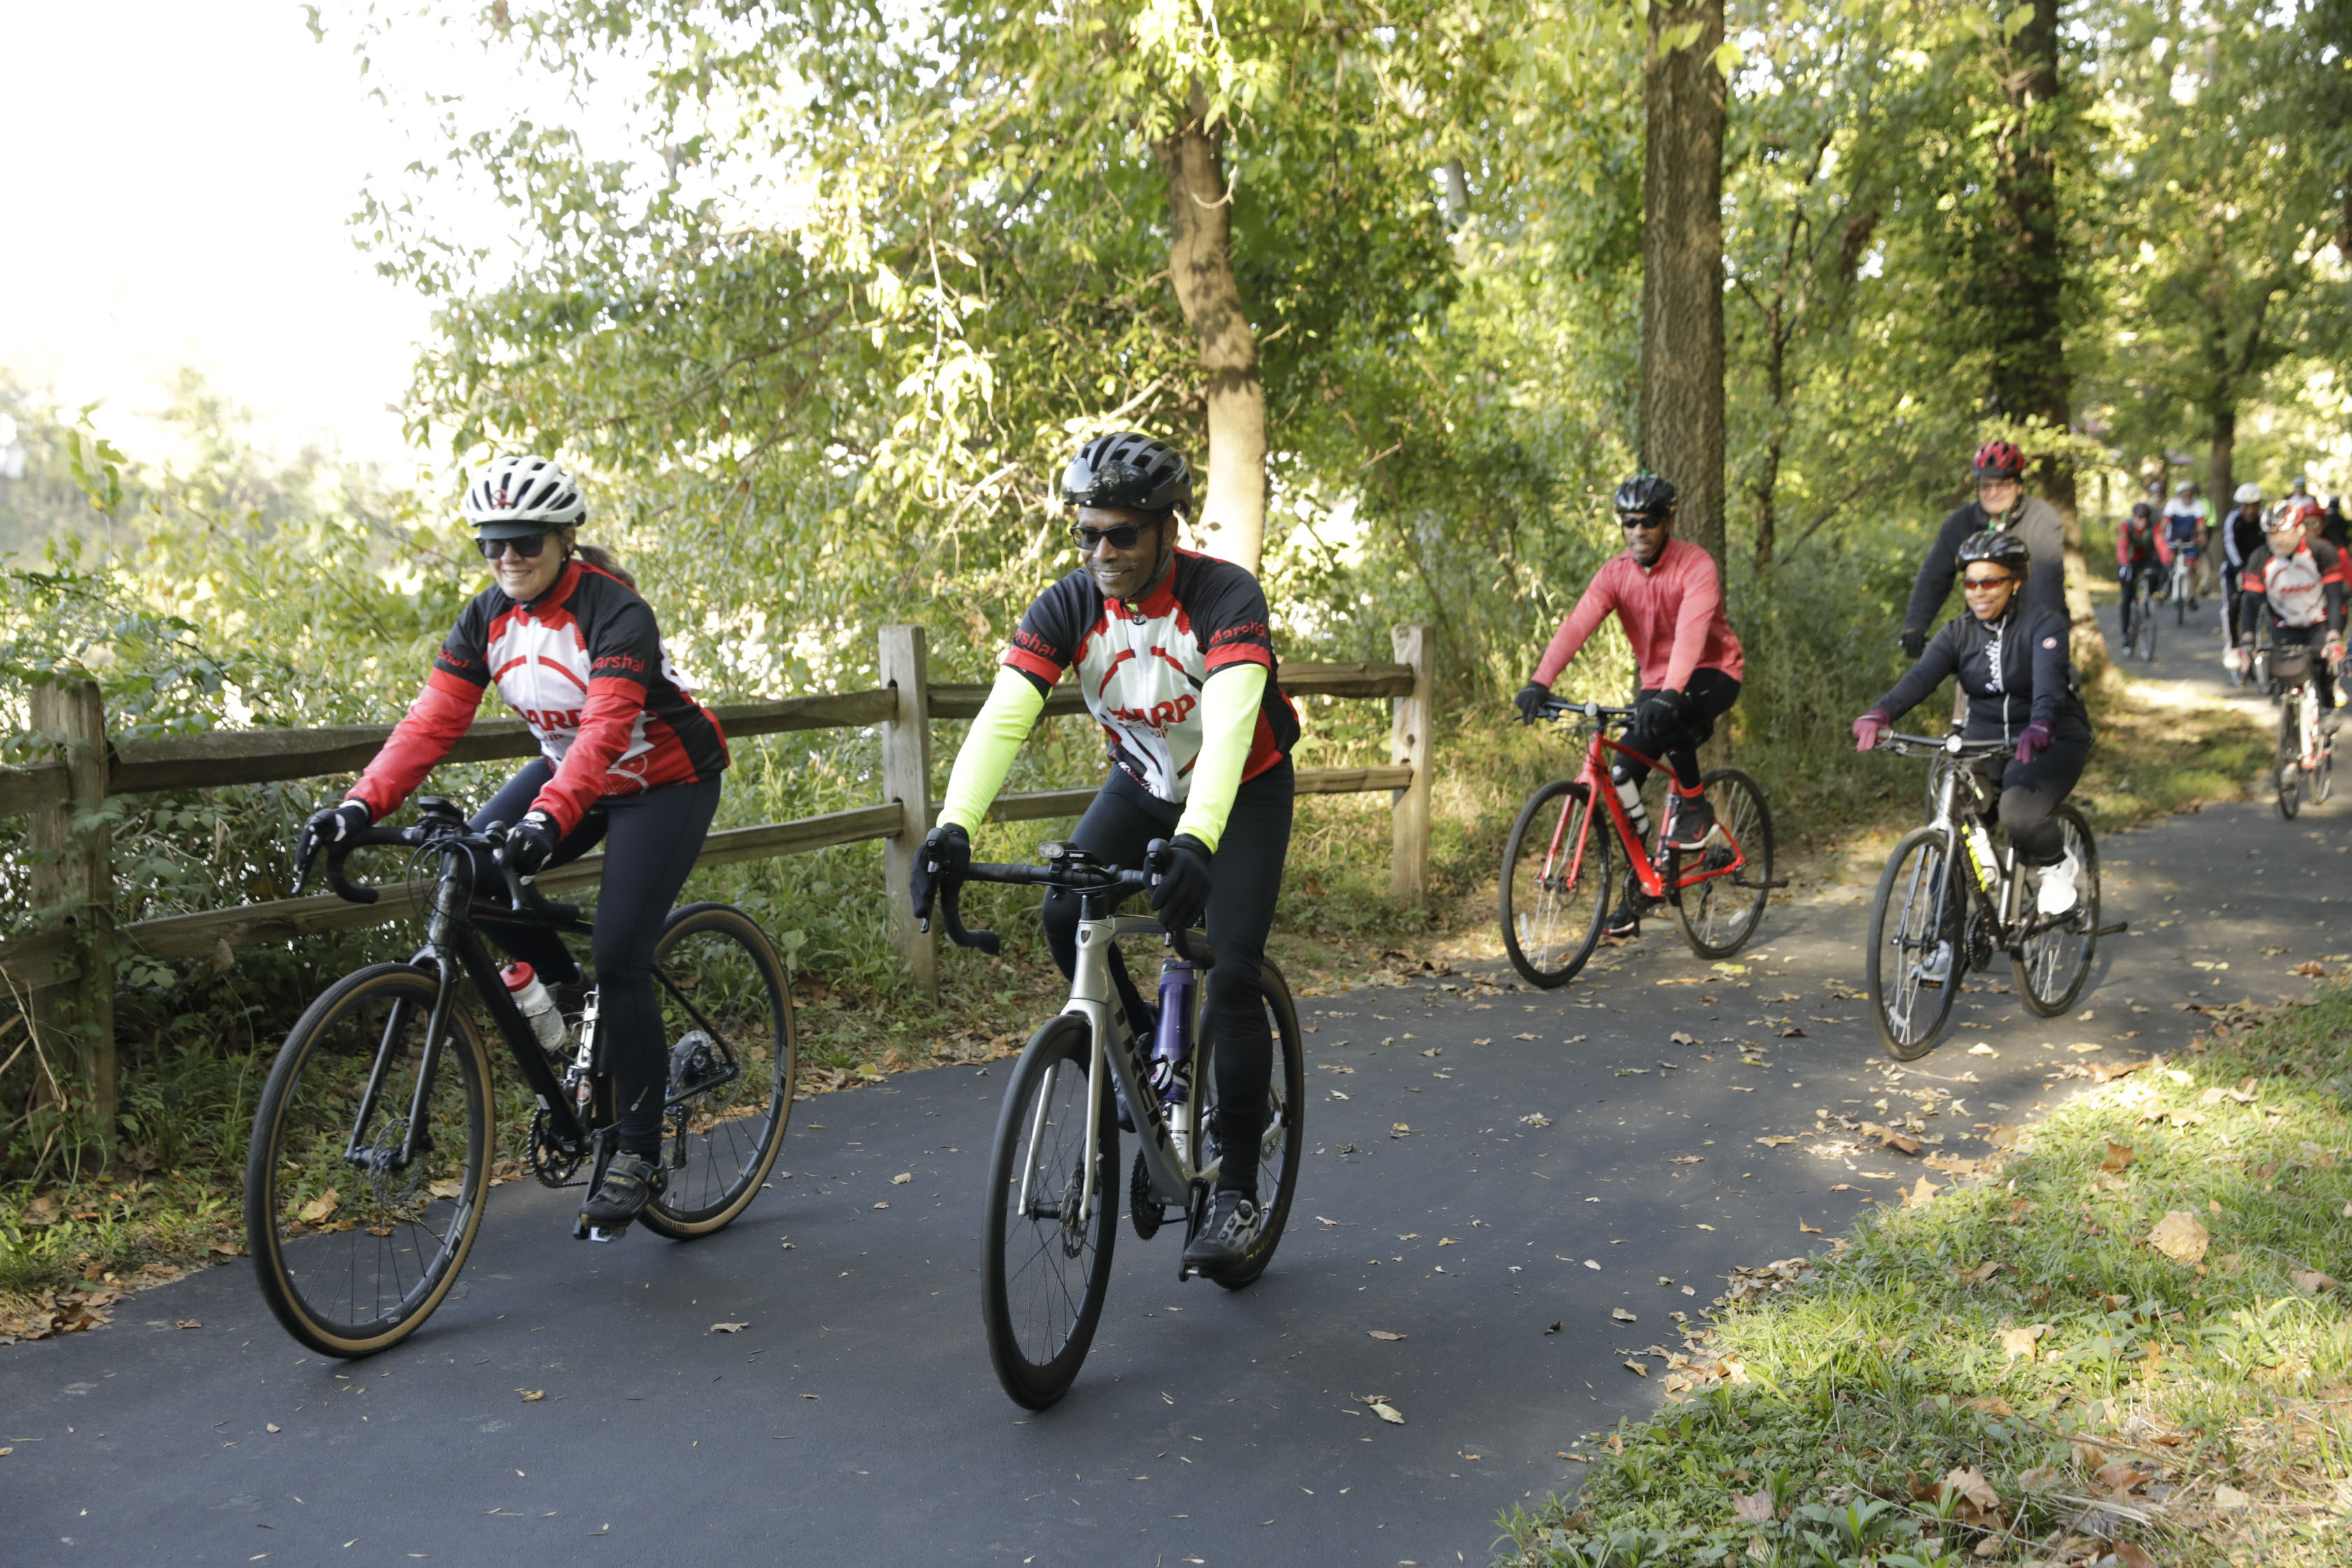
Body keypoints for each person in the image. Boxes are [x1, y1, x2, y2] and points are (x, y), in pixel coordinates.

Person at [291, 455, 730, 1238]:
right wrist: (357, 806)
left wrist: (548, 820)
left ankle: (636, 1149)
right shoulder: (486, 616)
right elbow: (430, 723)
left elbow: (604, 731)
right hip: (573, 773)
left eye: (524, 540)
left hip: (664, 778)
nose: (508, 558)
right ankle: (574, 1012)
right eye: (491, 543)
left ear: (565, 537)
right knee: (477, 870)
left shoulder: (616, 612)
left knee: (622, 954)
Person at [908, 432, 1300, 1275]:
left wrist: (1199, 838)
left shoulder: (1224, 594)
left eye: (1121, 533)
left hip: (1245, 789)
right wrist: (954, 825)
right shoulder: (1069, 605)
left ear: (1166, 528)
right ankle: (1141, 1074)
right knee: (1062, 911)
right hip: (1141, 784)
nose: (1101, 551)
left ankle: (1235, 1189)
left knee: (1230, 970)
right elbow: (1004, 716)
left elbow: (1231, 728)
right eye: (1087, 533)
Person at [1513, 472, 1744, 940]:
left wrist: (1669, 692)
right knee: (1621, 779)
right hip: (1658, 683)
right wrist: (1540, 682)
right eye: (1629, 522)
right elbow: (1577, 625)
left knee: (1673, 712)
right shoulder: (1616, 574)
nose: (1638, 531)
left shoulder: (1695, 566)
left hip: (1712, 671)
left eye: (1649, 521)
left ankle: (1696, 807)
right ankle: (1641, 889)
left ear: (1668, 520)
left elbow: (1691, 637)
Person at [1854, 531, 2093, 917]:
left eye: (1990, 582)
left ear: (2015, 581)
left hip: (2049, 738)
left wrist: (2041, 724)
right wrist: (1880, 713)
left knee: (2019, 813)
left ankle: (2055, 863)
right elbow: (1921, 678)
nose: (1979, 592)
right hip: (1981, 741)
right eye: (1970, 583)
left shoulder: (2044, 625)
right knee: (1949, 824)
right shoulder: (1957, 633)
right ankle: (1945, 942)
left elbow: (2049, 686)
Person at [1900, 441, 2067, 658]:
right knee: (1967, 683)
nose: (1994, 493)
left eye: (2004, 485)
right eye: (1986, 486)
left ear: (2019, 486)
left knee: (2045, 685)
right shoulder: (1961, 523)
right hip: (1982, 634)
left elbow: (2046, 587)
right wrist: (1916, 625)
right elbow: (1934, 576)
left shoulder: (2043, 520)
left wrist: (2042, 642)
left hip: (2035, 630)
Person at [2236, 498, 2346, 730]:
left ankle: (2328, 707)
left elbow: (2336, 596)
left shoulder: (2322, 551)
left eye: (2283, 533)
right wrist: (2247, 639)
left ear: (2300, 529)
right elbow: (2250, 602)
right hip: (2285, 623)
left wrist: (2334, 636)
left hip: (2321, 621)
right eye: (2271, 534)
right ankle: (2292, 731)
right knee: (2285, 674)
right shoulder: (2261, 557)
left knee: (2320, 667)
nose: (2277, 540)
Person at [2219, 482, 2270, 654]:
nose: (2250, 510)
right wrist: (2240, 568)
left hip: (2259, 570)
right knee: (2233, 606)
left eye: (2254, 506)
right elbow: (2229, 544)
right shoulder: (2233, 520)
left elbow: (2270, 544)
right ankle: (2232, 646)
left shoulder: (2264, 519)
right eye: (2246, 506)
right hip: (2234, 570)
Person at [2115, 501, 2166, 629]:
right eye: (2139, 517)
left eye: (2145, 518)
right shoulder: (2126, 526)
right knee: (2127, 596)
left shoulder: (2154, 526)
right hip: (2128, 561)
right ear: (2133, 517)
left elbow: (2160, 543)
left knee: (2159, 574)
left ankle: (2147, 599)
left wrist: (2167, 561)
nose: (2142, 521)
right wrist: (2124, 564)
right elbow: (2122, 546)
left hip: (2145, 560)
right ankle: (2125, 632)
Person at [2160, 482, 2205, 607]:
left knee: (2191, 568)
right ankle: (2167, 586)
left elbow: (2201, 524)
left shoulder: (2197, 505)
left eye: (2190, 494)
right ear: (2179, 495)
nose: (2187, 496)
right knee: (2169, 563)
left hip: (2190, 541)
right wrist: (2162, 534)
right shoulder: (2173, 504)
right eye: (2184, 494)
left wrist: (2202, 535)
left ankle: (2191, 597)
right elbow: (2165, 523)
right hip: (2173, 539)